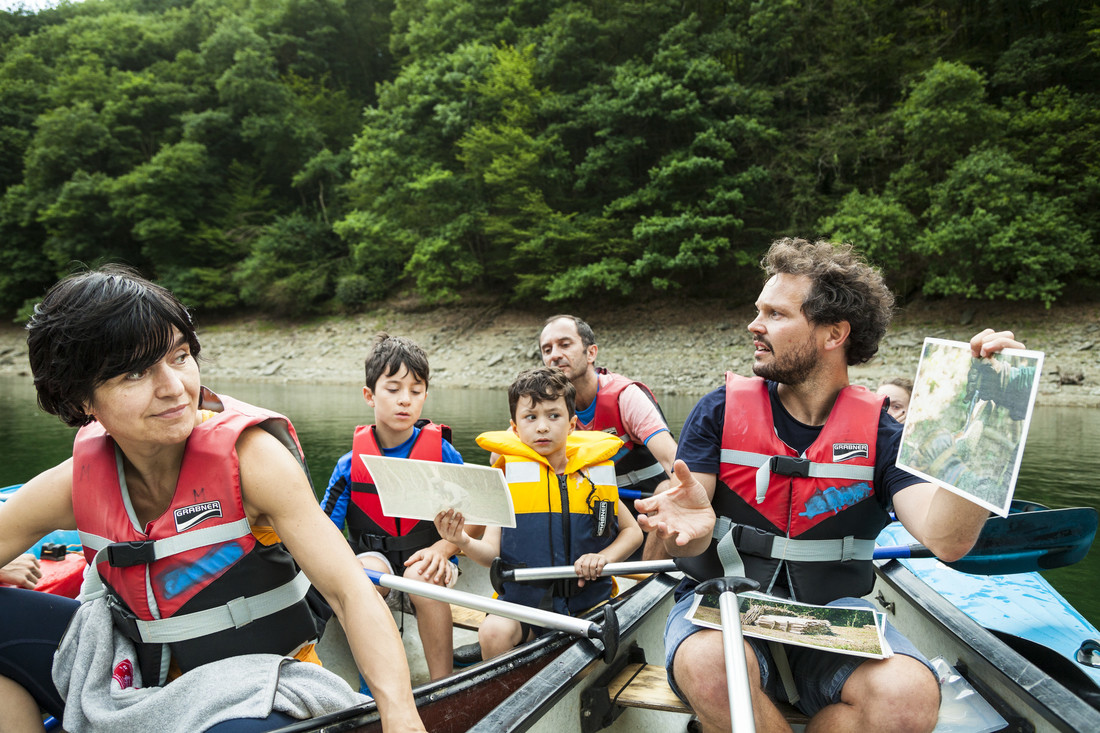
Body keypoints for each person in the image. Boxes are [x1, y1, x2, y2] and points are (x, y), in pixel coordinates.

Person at [0, 266, 425, 733]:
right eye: (136, 372)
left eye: (179, 356)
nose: (173, 387)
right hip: (135, 681)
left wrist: (401, 716)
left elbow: (349, 592)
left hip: (258, 687)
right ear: (81, 400)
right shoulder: (78, 481)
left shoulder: (254, 461)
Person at [635, 238, 1025, 733]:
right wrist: (676, 531)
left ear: (833, 333)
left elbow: (947, 539)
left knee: (906, 698)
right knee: (715, 667)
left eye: (775, 314)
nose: (754, 326)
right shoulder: (720, 410)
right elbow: (675, 527)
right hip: (724, 601)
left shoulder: (884, 435)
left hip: (829, 617)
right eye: (759, 311)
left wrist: (991, 435)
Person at [434, 366, 643, 660]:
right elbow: (491, 552)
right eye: (531, 417)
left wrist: (604, 558)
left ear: (571, 425)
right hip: (525, 605)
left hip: (588, 604)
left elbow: (632, 532)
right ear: (516, 428)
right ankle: (505, 690)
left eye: (553, 416)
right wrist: (463, 541)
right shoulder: (508, 480)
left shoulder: (595, 475)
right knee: (492, 632)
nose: (542, 426)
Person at [319, 333, 471, 682]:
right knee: (362, 577)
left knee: (422, 577)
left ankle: (443, 682)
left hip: (432, 557)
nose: (405, 400)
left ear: (425, 397)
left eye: (415, 391)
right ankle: (377, 681)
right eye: (393, 389)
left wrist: (442, 550)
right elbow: (323, 528)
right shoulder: (349, 465)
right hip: (377, 561)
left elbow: (474, 519)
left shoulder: (444, 455)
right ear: (369, 396)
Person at [539, 315, 678, 499]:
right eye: (547, 350)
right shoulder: (545, 405)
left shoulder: (626, 396)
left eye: (565, 345)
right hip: (591, 504)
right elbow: (502, 454)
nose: (554, 355)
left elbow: (673, 460)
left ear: (591, 353)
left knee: (667, 489)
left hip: (647, 500)